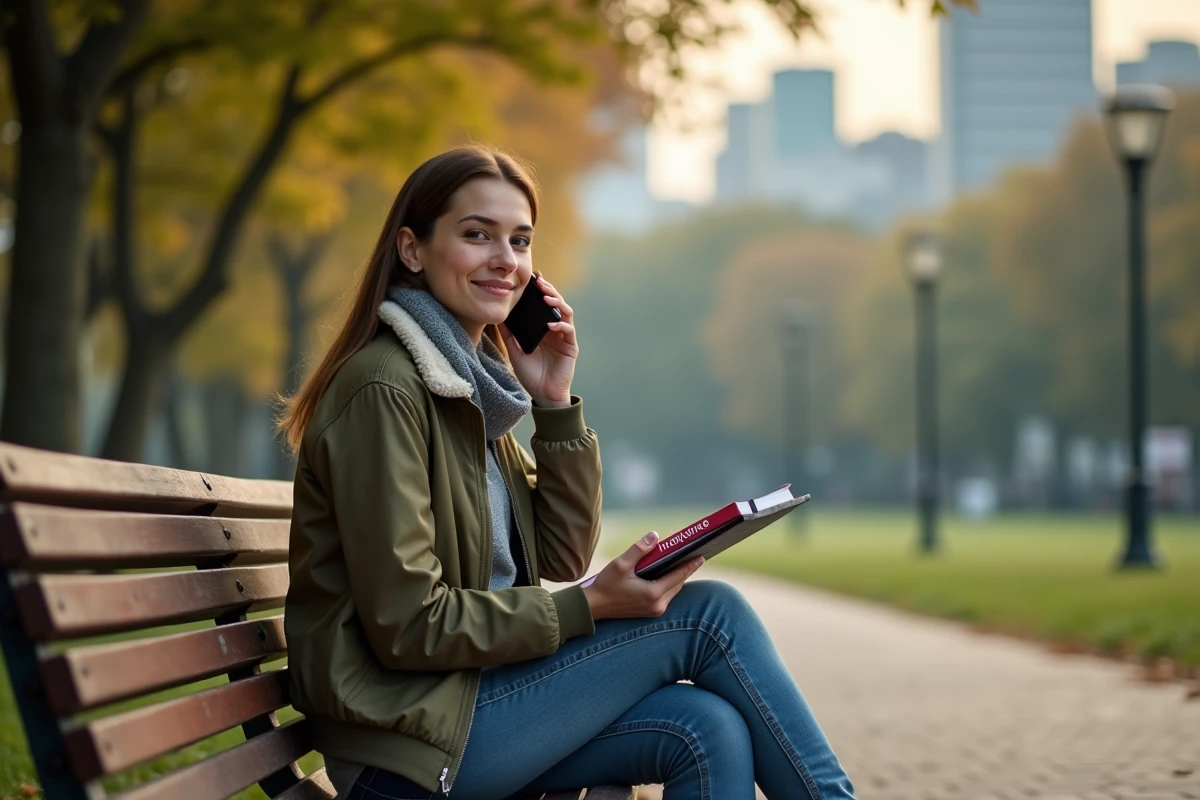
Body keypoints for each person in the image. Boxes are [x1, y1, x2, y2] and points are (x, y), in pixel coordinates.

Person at [278, 145, 857, 800]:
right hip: (409, 744)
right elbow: (410, 623)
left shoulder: (472, 394)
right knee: (709, 616)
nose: (506, 260)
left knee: (709, 726)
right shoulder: (387, 390)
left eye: (520, 241)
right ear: (412, 250)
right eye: (477, 235)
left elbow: (560, 551)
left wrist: (554, 406)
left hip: (468, 703)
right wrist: (590, 604)